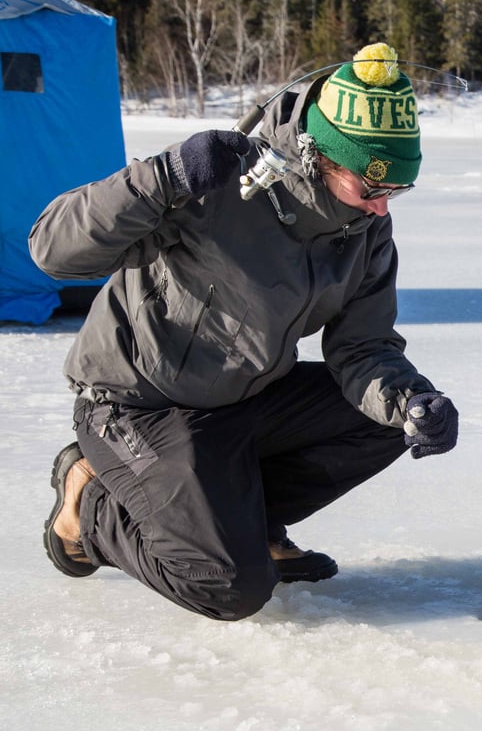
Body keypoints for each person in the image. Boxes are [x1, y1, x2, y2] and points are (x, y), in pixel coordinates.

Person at [29, 43, 458, 621]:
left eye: (396, 192)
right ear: (321, 158)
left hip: (244, 401)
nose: (383, 210)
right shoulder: (217, 184)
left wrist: (410, 400)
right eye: (372, 189)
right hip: (139, 407)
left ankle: (247, 523)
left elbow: (363, 346)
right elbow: (51, 250)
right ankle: (93, 503)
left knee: (384, 420)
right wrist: (162, 177)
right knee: (227, 587)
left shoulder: (365, 229)